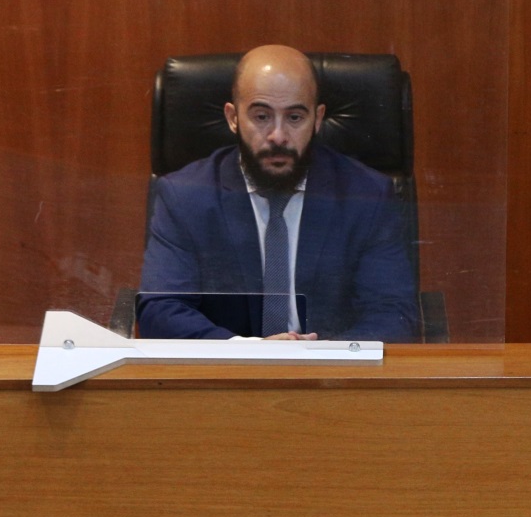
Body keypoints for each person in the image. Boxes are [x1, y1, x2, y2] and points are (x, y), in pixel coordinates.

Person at [138, 45, 418, 341]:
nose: (278, 136)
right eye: (261, 117)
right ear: (233, 117)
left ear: (318, 119)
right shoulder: (185, 196)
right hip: (228, 366)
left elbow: (394, 313)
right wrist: (248, 352)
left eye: (295, 117)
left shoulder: (366, 196)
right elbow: (160, 309)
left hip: (329, 366)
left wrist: (320, 356)